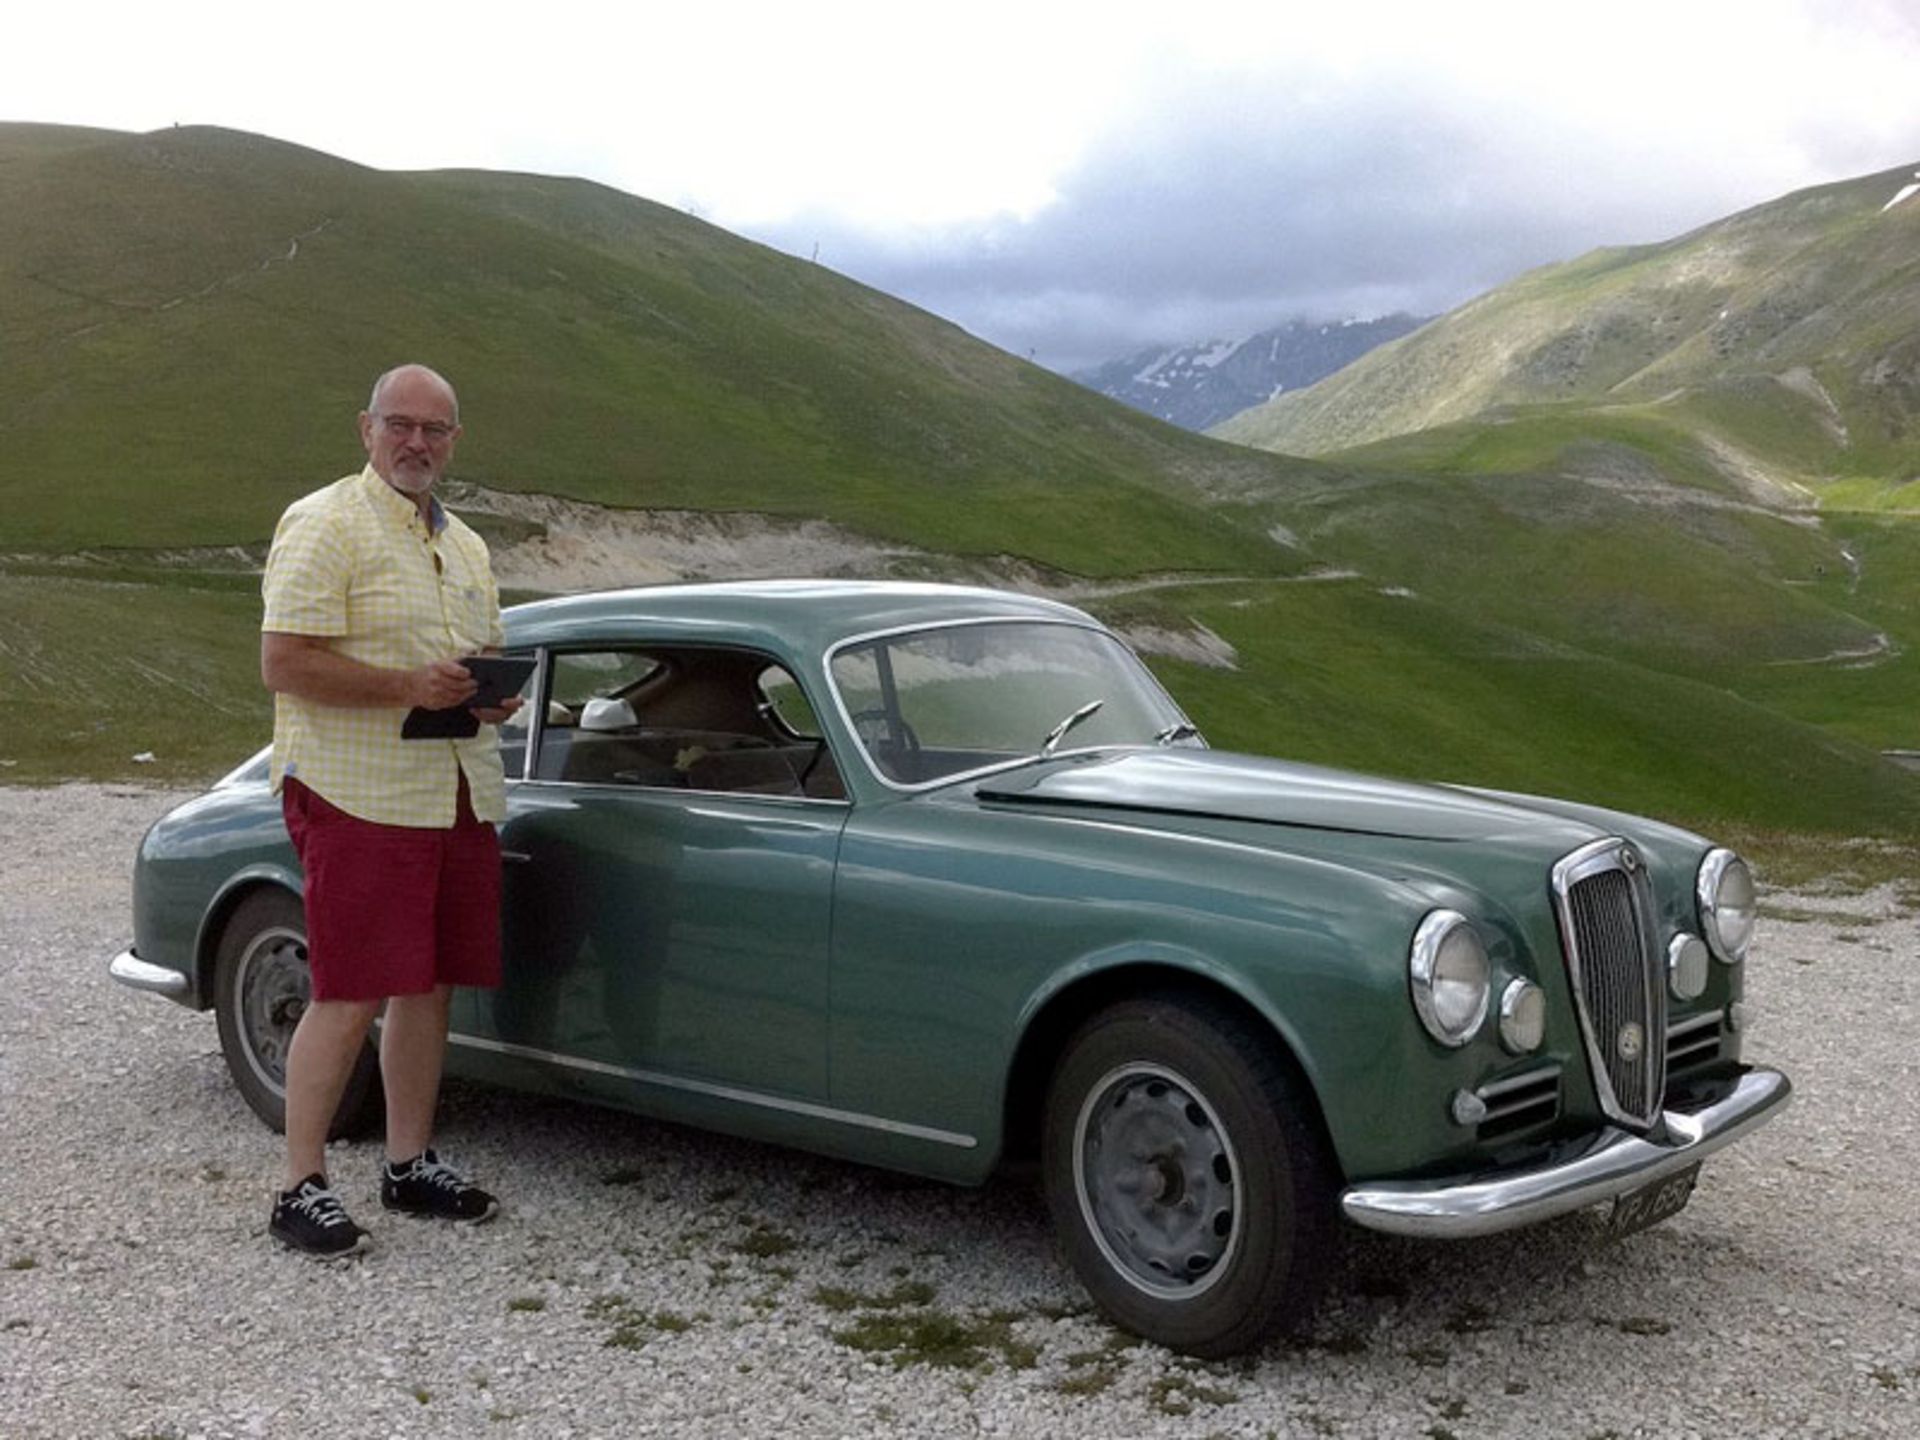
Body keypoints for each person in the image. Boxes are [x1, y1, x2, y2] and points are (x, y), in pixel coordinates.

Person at [259, 363, 523, 1257]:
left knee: (430, 981)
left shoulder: (469, 545)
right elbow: (285, 662)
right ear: (365, 428)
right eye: (401, 425)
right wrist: (406, 685)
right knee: (351, 986)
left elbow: (478, 658)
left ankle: (409, 1164)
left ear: (455, 441)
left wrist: (490, 696)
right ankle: (300, 1184)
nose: (417, 443)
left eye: (436, 430)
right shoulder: (326, 521)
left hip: (454, 789)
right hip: (356, 788)